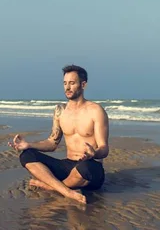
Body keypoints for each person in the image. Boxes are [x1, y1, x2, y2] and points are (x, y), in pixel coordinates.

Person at [8, 64, 110, 204]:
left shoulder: (95, 111)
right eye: (65, 83)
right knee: (27, 155)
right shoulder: (60, 111)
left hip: (89, 167)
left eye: (72, 83)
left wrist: (94, 153)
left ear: (83, 85)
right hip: (67, 165)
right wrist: (28, 145)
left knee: (85, 168)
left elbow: (104, 148)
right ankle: (66, 191)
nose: (67, 88)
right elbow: (52, 143)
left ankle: (49, 186)